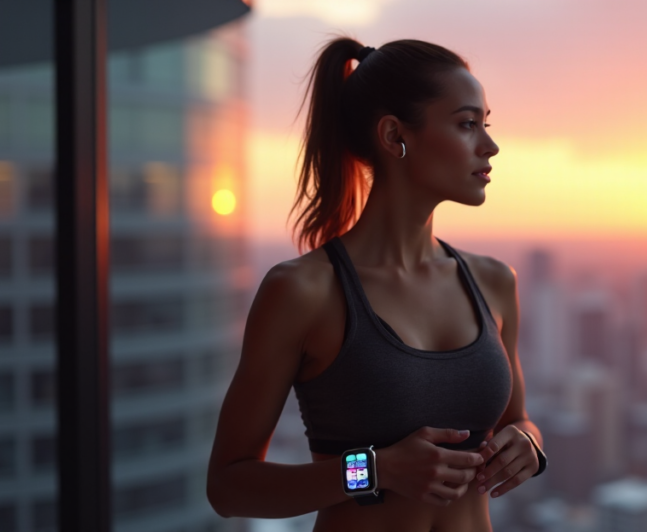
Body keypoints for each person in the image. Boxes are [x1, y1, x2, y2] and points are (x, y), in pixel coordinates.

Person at [206, 37, 545, 531]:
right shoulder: (304, 292)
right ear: (393, 136)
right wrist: (374, 470)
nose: (490, 146)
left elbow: (518, 419)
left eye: (485, 125)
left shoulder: (494, 282)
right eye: (467, 124)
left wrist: (528, 443)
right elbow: (228, 487)